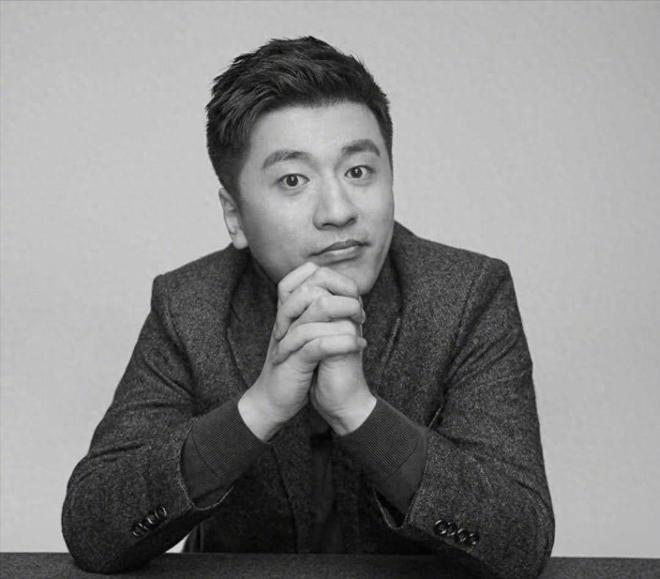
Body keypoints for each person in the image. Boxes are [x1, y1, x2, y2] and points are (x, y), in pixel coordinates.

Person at [62, 36, 554, 578]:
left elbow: (521, 541)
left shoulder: (467, 294)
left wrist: (359, 414)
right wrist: (260, 409)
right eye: (293, 180)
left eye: (358, 171)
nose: (338, 211)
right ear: (235, 216)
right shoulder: (189, 305)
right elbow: (93, 529)